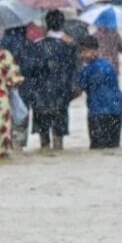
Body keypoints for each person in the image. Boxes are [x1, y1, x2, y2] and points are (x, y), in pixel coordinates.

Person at [74, 35, 122, 149]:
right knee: (113, 148)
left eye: (87, 51)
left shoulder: (86, 71)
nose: (86, 54)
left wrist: (62, 102)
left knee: (97, 149)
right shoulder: (109, 66)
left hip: (98, 115)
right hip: (115, 114)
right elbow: (117, 91)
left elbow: (78, 91)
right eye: (85, 51)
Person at [30, 10, 78, 151]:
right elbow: (73, 71)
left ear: (46, 25)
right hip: (61, 96)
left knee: (43, 141)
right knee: (58, 140)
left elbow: (32, 73)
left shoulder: (36, 46)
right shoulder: (68, 47)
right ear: (62, 24)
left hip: (40, 98)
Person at [0, 23, 41, 150]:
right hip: (24, 89)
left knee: (4, 126)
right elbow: (34, 68)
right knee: (19, 124)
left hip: (2, 92)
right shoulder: (29, 45)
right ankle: (18, 149)